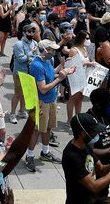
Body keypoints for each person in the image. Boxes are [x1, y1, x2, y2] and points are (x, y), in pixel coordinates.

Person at [62, 113, 110, 204]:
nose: (96, 134)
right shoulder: (72, 156)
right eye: (94, 131)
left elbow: (101, 169)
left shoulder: (86, 146)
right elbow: (94, 186)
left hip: (92, 199)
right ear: (83, 133)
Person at [26, 39, 75, 172]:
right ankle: (29, 155)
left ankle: (45, 152)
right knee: (36, 129)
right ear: (44, 50)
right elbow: (42, 88)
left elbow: (49, 74)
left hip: (51, 100)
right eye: (51, 50)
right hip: (41, 102)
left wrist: (62, 68)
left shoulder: (48, 61)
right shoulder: (36, 65)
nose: (54, 52)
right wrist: (60, 78)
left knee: (48, 127)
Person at [10, 23, 37, 123]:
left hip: (30, 73)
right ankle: (12, 113)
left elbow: (36, 56)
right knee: (17, 94)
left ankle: (22, 111)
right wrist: (31, 53)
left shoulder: (34, 43)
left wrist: (32, 55)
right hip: (20, 73)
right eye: (29, 31)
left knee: (25, 94)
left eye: (33, 31)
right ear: (24, 32)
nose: (31, 33)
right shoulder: (19, 44)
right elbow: (21, 59)